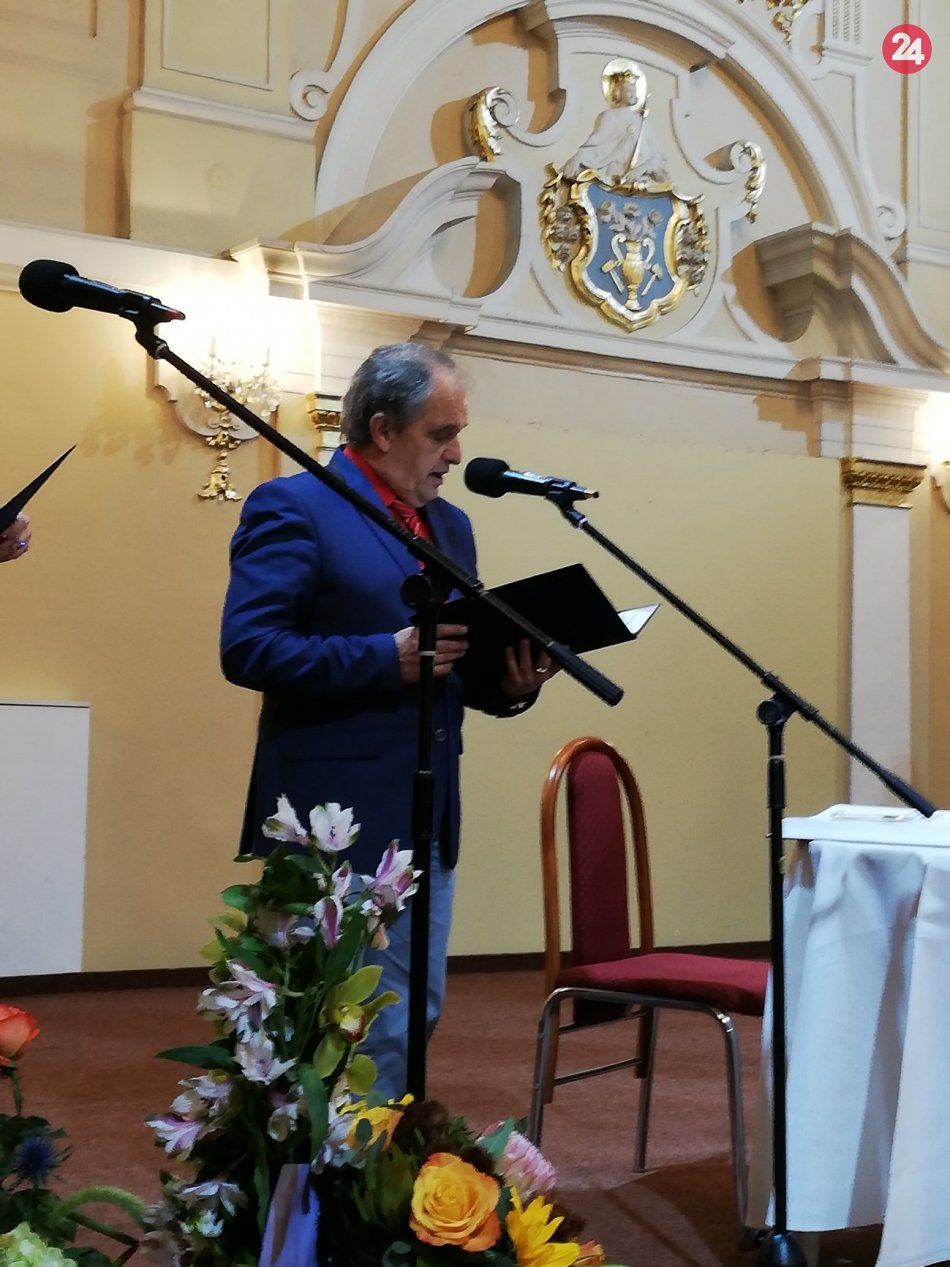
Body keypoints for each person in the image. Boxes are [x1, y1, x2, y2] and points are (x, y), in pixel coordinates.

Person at [220, 342, 553, 1097]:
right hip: (331, 822)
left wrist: (510, 682)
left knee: (409, 1017)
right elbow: (248, 647)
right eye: (441, 434)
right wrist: (383, 657)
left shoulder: (451, 526)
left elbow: (447, 663)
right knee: (330, 1025)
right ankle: (326, 1172)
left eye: (458, 433)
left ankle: (376, 1165)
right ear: (382, 429)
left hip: (427, 812)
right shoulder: (295, 506)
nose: (456, 453)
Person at [563, 65, 669, 185]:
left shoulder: (641, 122)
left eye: (634, 90)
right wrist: (578, 157)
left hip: (639, 181)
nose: (633, 94)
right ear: (618, 92)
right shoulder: (609, 116)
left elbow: (656, 157)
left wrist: (642, 168)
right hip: (613, 176)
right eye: (628, 91)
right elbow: (597, 147)